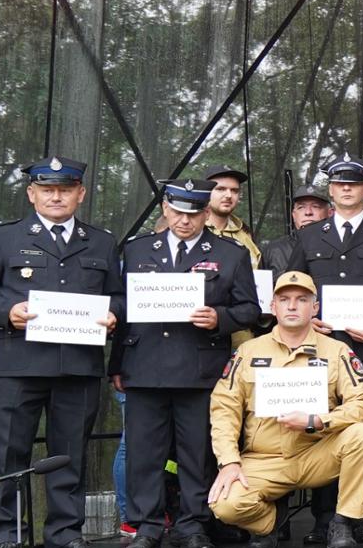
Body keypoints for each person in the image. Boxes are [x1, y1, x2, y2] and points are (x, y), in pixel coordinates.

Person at [0, 156, 122, 548]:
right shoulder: (3, 237)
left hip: (78, 366)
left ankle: (64, 536)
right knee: (10, 453)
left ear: (80, 194)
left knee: (70, 456)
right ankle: (8, 537)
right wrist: (6, 312)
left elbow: (118, 295)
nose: (56, 197)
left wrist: (114, 313)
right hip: (20, 364)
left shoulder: (101, 241)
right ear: (32, 194)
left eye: (65, 189)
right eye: (47, 189)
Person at [113, 179, 262, 548]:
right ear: (165, 209)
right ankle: (146, 525)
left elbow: (251, 309)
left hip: (200, 368)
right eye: (178, 212)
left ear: (206, 214)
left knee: (197, 452)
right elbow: (122, 310)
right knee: (144, 452)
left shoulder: (231, 254)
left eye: (194, 213)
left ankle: (193, 524)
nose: (185, 220)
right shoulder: (136, 251)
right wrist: (115, 365)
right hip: (144, 364)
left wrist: (219, 318)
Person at [286, 153, 363, 545]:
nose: (346, 189)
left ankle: (362, 516)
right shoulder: (309, 236)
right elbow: (293, 286)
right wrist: (308, 318)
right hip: (317, 350)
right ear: (331, 190)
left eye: (353, 184)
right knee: (321, 432)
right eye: (339, 184)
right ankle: (325, 518)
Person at [207, 271, 363, 548]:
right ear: (273, 306)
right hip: (265, 459)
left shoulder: (337, 350)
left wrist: (318, 420)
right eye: (284, 299)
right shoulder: (248, 352)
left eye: (302, 299)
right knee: (224, 504)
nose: (292, 306)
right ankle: (271, 524)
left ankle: (343, 522)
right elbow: (223, 409)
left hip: (318, 453)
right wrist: (229, 461)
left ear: (315, 308)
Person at [202, 163, 264, 268]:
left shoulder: (245, 236)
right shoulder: (190, 229)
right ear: (205, 192)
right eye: (221, 189)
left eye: (234, 190)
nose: (229, 195)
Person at [260, 185, 330, 273]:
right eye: (301, 207)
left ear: (330, 213)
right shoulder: (274, 250)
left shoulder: (338, 246)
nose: (308, 212)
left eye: (315, 207)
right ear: (294, 215)